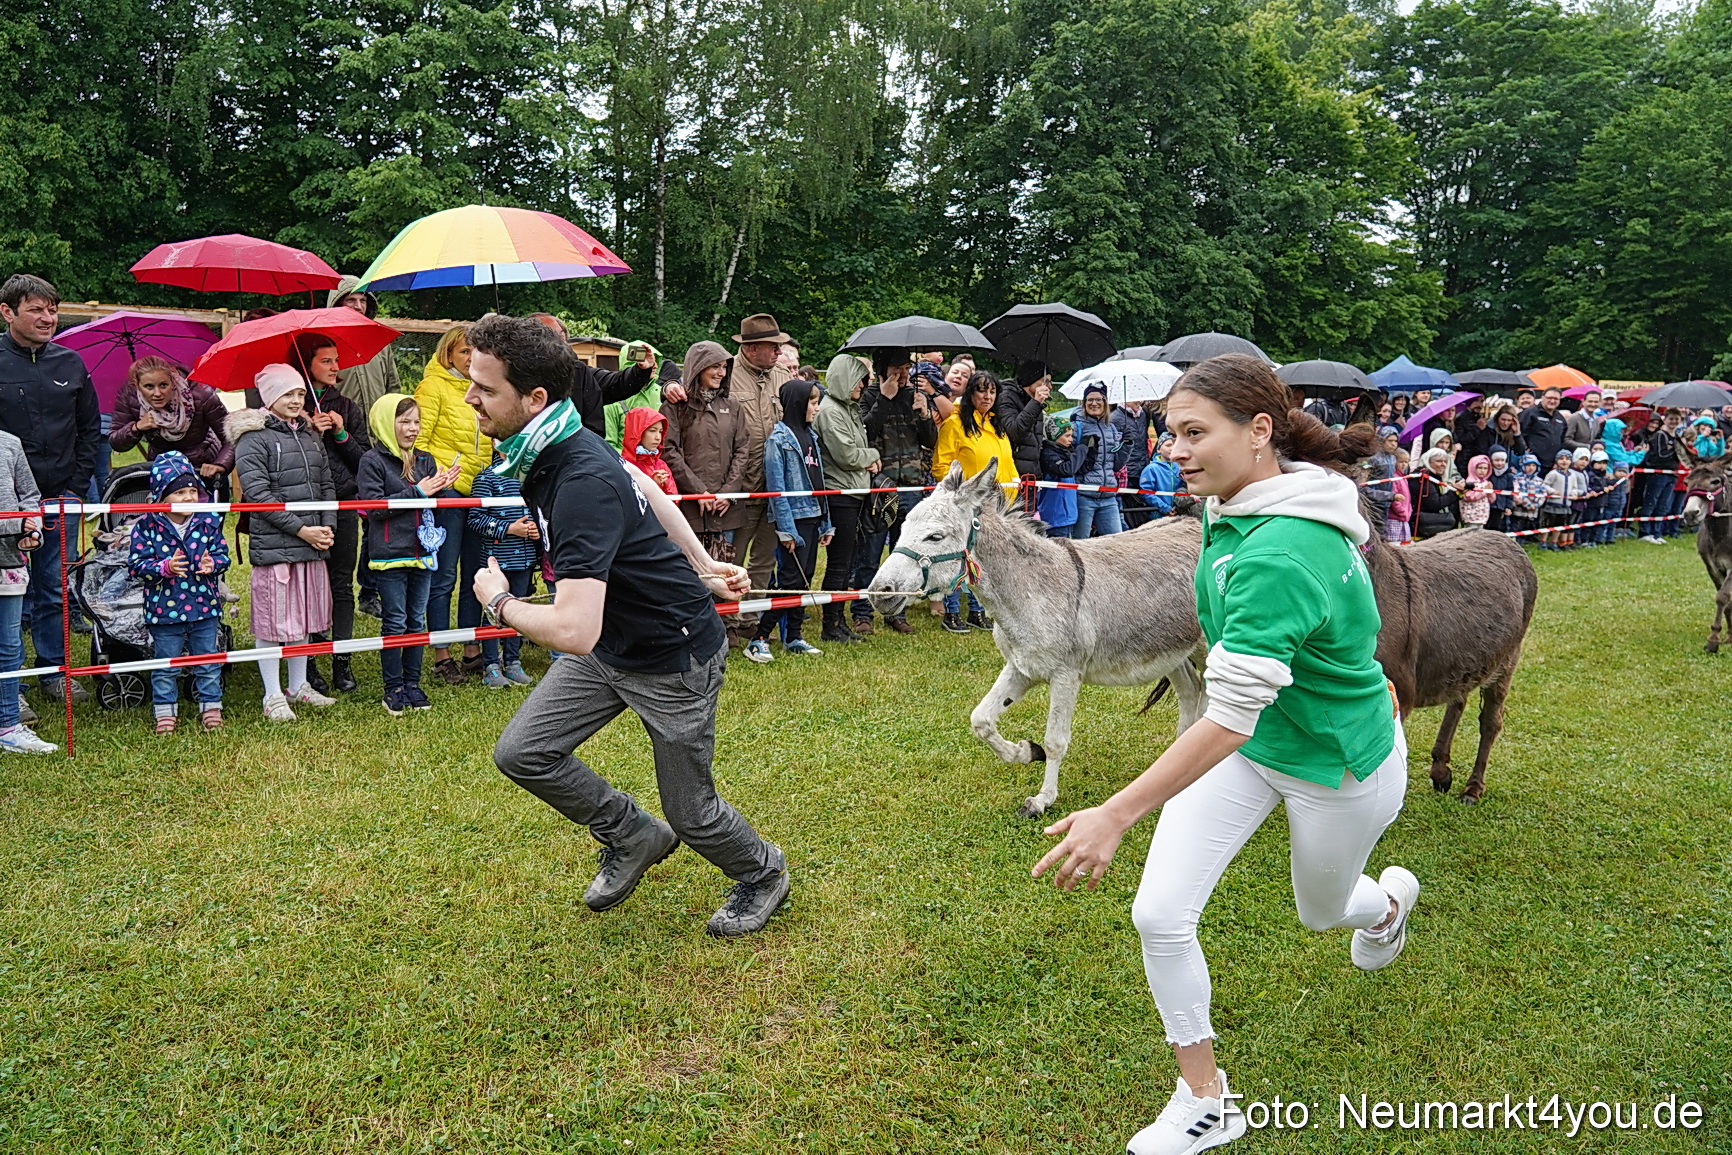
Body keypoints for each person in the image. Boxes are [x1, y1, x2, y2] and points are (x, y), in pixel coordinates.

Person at [1030, 355, 1414, 1155]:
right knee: (1159, 913)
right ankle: (1206, 1100)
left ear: (1260, 432)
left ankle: (1385, 906)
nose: (1176, 448)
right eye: (1171, 432)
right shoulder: (1236, 501)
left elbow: (1231, 715)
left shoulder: (1281, 546)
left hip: (1337, 765)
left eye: (1194, 432)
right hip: (1255, 745)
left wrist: (1114, 810)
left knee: (1322, 911)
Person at [463, 313, 788, 937]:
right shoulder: (558, 440)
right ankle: (633, 834)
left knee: (692, 814)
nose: (471, 397)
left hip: (673, 658)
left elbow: (573, 630)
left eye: (485, 387)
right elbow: (637, 476)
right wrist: (703, 561)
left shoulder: (576, 477)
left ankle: (764, 872)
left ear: (534, 398)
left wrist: (498, 601)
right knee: (524, 752)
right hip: (612, 643)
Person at [0, 274, 99, 703]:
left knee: (53, 588)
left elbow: (89, 429)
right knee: (7, 592)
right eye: (36, 310)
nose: (48, 318)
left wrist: (76, 488)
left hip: (60, 497)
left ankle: (53, 672)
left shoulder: (71, 363)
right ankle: (10, 684)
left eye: (52, 309)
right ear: (7, 312)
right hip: (5, 507)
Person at [227, 364, 338, 721]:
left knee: (303, 618)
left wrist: (326, 525)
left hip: (312, 542)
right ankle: (272, 695)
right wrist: (302, 530)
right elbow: (259, 495)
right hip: (276, 546)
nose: (295, 400)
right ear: (270, 397)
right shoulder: (252, 439)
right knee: (274, 622)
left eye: (300, 394)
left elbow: (327, 485)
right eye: (287, 394)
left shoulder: (308, 436)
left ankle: (299, 686)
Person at [357, 395, 461, 714]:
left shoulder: (425, 460)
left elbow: (431, 502)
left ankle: (413, 684)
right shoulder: (372, 461)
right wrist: (418, 492)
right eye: (404, 421)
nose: (412, 428)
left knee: (417, 621)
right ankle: (393, 688)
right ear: (387, 423)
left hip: (424, 552)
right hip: (390, 555)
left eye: (416, 421)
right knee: (396, 621)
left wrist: (442, 487)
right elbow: (374, 509)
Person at [126, 452, 230, 733]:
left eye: (192, 491)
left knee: (207, 661)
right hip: (164, 609)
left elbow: (223, 555)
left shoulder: (207, 522)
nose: (188, 498)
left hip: (204, 606)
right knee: (165, 664)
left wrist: (214, 564)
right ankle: (165, 712)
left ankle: (211, 707)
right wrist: (164, 567)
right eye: (179, 492)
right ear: (161, 497)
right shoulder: (146, 527)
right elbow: (136, 566)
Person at [290, 333, 369, 695]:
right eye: (326, 360)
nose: (336, 367)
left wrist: (339, 434)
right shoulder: (290, 407)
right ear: (307, 365)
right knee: (309, 586)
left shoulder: (348, 407)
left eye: (336, 359)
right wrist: (310, 433)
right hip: (306, 508)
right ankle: (309, 661)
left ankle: (343, 660)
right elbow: (291, 464)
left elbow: (364, 463)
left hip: (343, 504)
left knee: (341, 584)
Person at [414, 324, 490, 683]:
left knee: (477, 573)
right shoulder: (432, 386)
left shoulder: (483, 387)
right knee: (443, 575)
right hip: (449, 490)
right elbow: (419, 442)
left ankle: (472, 649)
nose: (470, 358)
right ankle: (442, 653)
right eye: (463, 352)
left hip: (480, 489)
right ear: (448, 355)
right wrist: (445, 477)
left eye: (475, 352)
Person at [715, 314, 794, 646]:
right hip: (740, 487)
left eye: (779, 346)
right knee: (732, 557)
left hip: (773, 487)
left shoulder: (781, 377)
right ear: (749, 348)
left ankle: (751, 619)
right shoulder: (726, 376)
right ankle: (727, 621)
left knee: (764, 556)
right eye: (771, 346)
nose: (779, 351)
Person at [659, 341, 748, 629]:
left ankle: (725, 629)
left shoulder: (733, 406)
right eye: (715, 366)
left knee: (727, 569)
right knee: (690, 571)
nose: (721, 372)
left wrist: (728, 493)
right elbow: (669, 450)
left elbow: (742, 450)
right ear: (698, 368)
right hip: (689, 507)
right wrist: (698, 491)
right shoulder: (677, 406)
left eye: (724, 366)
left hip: (725, 508)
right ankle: (690, 629)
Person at [853, 347, 938, 635]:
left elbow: (930, 441)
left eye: (905, 370)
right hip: (881, 488)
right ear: (881, 371)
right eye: (896, 370)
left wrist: (925, 414)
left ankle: (896, 611)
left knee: (902, 554)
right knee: (871, 553)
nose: (903, 376)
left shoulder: (913, 397)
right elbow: (865, 432)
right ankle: (862, 612)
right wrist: (885, 400)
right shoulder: (868, 397)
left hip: (913, 487)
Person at [752, 379, 834, 661]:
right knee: (789, 581)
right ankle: (760, 637)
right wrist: (786, 530)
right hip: (794, 519)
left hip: (814, 515)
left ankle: (794, 636)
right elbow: (777, 489)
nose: (817, 408)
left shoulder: (812, 437)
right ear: (798, 404)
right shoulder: (778, 440)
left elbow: (819, 481)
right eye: (813, 402)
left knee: (805, 579)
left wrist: (826, 521)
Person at [931, 371, 1017, 632]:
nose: (988, 396)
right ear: (971, 394)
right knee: (960, 557)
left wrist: (1013, 489)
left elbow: (1007, 464)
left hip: (997, 506)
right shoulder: (955, 424)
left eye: (992, 392)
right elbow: (941, 466)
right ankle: (952, 612)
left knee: (982, 561)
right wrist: (962, 492)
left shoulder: (996, 426)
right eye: (982, 391)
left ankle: (977, 611)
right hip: (966, 504)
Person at [813, 353, 882, 645]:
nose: (862, 386)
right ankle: (831, 626)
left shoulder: (849, 409)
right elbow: (847, 455)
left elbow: (856, 450)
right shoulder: (830, 412)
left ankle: (838, 623)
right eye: (858, 380)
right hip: (840, 494)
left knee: (847, 562)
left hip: (853, 492)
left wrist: (865, 458)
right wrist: (874, 456)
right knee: (839, 563)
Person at [468, 449, 541, 689]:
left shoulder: (528, 475)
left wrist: (535, 530)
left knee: (519, 608)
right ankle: (490, 665)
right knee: (492, 611)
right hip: (496, 561)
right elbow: (475, 519)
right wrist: (509, 529)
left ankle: (512, 660)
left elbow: (538, 509)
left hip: (525, 559)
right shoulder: (486, 477)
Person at [525, 313, 659, 439]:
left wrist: (641, 371)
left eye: (560, 337)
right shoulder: (513, 377)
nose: (558, 343)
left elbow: (615, 383)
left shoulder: (579, 373)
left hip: (579, 455)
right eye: (549, 337)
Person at [0, 427, 51, 753]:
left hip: (9, 563)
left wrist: (31, 531)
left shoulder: (10, 443)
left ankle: (8, 725)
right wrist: (15, 524)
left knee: (9, 647)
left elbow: (30, 498)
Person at [108, 357, 235, 483]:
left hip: (204, 467)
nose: (157, 393)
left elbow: (231, 436)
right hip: (162, 470)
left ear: (172, 380)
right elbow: (116, 442)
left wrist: (220, 465)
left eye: (163, 385)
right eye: (149, 387)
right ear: (137, 386)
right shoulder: (129, 397)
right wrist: (136, 428)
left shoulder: (201, 394)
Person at [326, 276, 402, 415]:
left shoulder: (379, 341)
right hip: (341, 427)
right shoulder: (324, 343)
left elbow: (393, 386)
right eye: (351, 300)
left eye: (363, 300)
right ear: (336, 303)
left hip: (376, 427)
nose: (358, 306)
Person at [1071, 383, 1127, 539]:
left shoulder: (1112, 428)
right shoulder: (1076, 427)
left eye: (1098, 399)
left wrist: (1127, 446)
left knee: (1117, 546)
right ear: (1083, 403)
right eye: (1089, 400)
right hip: (1084, 496)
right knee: (1080, 545)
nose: (1093, 403)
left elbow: (1116, 465)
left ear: (1105, 403)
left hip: (1108, 498)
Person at [603, 341, 668, 450]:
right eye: (644, 359)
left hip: (658, 464)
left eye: (655, 360)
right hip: (625, 464)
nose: (655, 365)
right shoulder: (613, 399)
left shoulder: (662, 394)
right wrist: (632, 465)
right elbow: (609, 445)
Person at [997, 359, 1052, 480]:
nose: (1050, 387)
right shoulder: (1007, 396)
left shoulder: (1036, 402)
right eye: (1045, 381)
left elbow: (1034, 444)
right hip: (1012, 477)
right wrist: (1035, 402)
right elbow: (1015, 431)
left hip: (1031, 477)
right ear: (1031, 379)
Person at [1638, 411, 1683, 542]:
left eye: (1676, 419)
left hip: (1672, 474)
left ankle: (1656, 532)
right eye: (1671, 419)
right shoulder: (1660, 435)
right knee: (1651, 502)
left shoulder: (1677, 436)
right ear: (1665, 419)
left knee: (1664, 505)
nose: (1674, 421)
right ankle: (1645, 532)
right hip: (1658, 473)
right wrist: (1676, 451)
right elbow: (1660, 455)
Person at [622, 407, 678, 496]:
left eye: (660, 432)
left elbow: (673, 502)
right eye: (652, 431)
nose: (658, 437)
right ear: (637, 432)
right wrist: (653, 485)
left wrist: (665, 484)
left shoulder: (661, 465)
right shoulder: (623, 465)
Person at [1039, 420, 1080, 536]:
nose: (1071, 440)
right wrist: (1081, 450)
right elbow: (1067, 470)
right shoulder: (1049, 454)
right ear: (1055, 435)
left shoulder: (1065, 452)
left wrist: (1092, 450)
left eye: (1071, 436)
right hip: (1056, 517)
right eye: (1067, 436)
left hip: (1068, 516)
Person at [1412, 447, 1460, 539]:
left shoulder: (1435, 476)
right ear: (1428, 462)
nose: (1443, 464)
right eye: (1439, 461)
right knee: (1450, 519)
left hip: (1427, 521)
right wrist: (1454, 491)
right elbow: (1435, 504)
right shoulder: (1422, 477)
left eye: (1445, 461)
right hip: (1421, 524)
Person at [1138, 430, 1182, 517]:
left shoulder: (1180, 467)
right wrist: (1165, 508)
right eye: (1168, 445)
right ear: (1158, 449)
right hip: (1158, 515)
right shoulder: (1151, 469)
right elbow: (1146, 493)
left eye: (1175, 445)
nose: (1172, 448)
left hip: (1179, 514)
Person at [1519, 387, 1568, 465]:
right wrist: (1526, 450)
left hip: (1553, 464)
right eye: (1549, 398)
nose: (1552, 401)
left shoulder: (1560, 418)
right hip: (1532, 463)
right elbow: (1520, 433)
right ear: (1542, 397)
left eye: (1556, 399)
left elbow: (1563, 439)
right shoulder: (1530, 413)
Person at [1540, 450, 1575, 550]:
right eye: (1561, 459)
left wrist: (1574, 494)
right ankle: (1543, 541)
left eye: (1567, 459)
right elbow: (1544, 485)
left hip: (1565, 505)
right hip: (1552, 504)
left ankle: (1554, 542)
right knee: (1547, 524)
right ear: (1557, 461)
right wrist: (1552, 491)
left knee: (1559, 525)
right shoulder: (1553, 473)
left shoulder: (1572, 475)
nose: (1564, 461)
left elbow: (1574, 488)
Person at [1510, 453, 1546, 538]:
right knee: (1516, 530)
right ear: (1523, 466)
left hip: (1532, 512)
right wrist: (1528, 504)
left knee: (1525, 532)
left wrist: (1536, 505)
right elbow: (1517, 492)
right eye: (1528, 465)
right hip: (1519, 511)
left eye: (1534, 465)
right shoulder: (1517, 478)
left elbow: (1543, 494)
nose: (1531, 468)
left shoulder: (1539, 481)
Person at [1386, 449, 1413, 543]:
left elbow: (1407, 499)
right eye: (1401, 462)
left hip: (1404, 518)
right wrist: (1403, 512)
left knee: (1405, 544)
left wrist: (1409, 511)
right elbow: (1394, 499)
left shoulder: (1403, 478)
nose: (1404, 465)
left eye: (1406, 462)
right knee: (1394, 545)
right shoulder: (1394, 477)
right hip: (1394, 519)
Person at [1459, 454, 1493, 529]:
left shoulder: (1486, 482)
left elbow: (1492, 500)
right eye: (1479, 468)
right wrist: (1484, 491)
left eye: (1485, 468)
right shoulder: (1469, 482)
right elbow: (1469, 496)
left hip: (1482, 516)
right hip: (1471, 516)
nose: (1482, 471)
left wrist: (1491, 491)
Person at [1486, 447, 1515, 532]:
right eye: (1497, 460)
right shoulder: (1488, 474)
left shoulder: (1508, 476)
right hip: (1488, 506)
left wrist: (1509, 507)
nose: (1499, 463)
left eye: (1502, 460)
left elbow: (1510, 492)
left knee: (1497, 527)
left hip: (1500, 506)